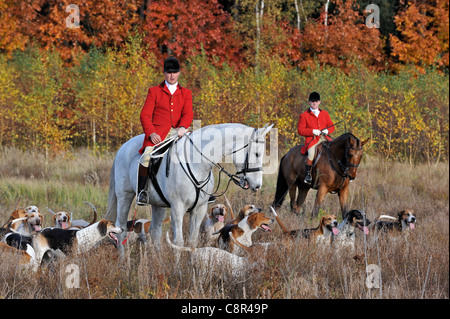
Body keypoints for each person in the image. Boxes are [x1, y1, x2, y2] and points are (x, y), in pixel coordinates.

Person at [137, 56, 194, 205]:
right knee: (146, 157)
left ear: (179, 73)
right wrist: (151, 133)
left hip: (179, 132)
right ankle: (142, 191)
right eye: (169, 72)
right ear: (164, 73)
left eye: (175, 72)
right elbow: (145, 115)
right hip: (158, 134)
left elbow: (188, 113)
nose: (172, 75)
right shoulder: (154, 91)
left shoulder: (186, 93)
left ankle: (200, 190)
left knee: (197, 151)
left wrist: (182, 127)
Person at [297, 92, 334, 185]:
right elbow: (300, 131)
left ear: (319, 102)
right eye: (312, 101)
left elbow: (331, 126)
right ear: (309, 102)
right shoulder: (304, 115)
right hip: (312, 140)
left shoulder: (325, 114)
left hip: (325, 138)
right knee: (311, 153)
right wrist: (312, 131)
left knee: (336, 149)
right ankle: (308, 174)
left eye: (316, 101)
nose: (314, 103)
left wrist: (327, 131)